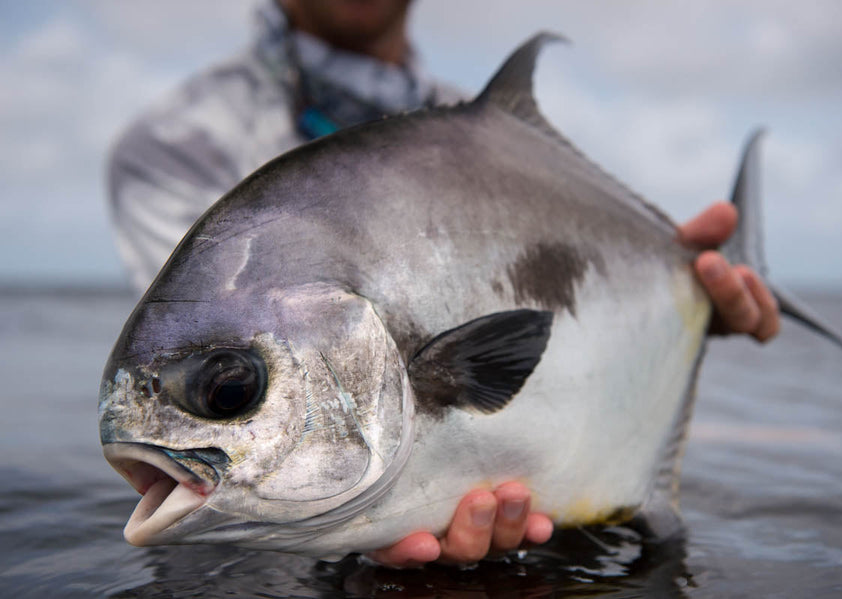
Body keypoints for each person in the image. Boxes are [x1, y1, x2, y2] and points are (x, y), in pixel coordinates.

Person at [107, 0, 780, 568]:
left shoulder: (475, 124)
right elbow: (197, 322)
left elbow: (562, 331)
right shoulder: (174, 143)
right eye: (230, 392)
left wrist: (693, 299)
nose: (227, 392)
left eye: (231, 389)